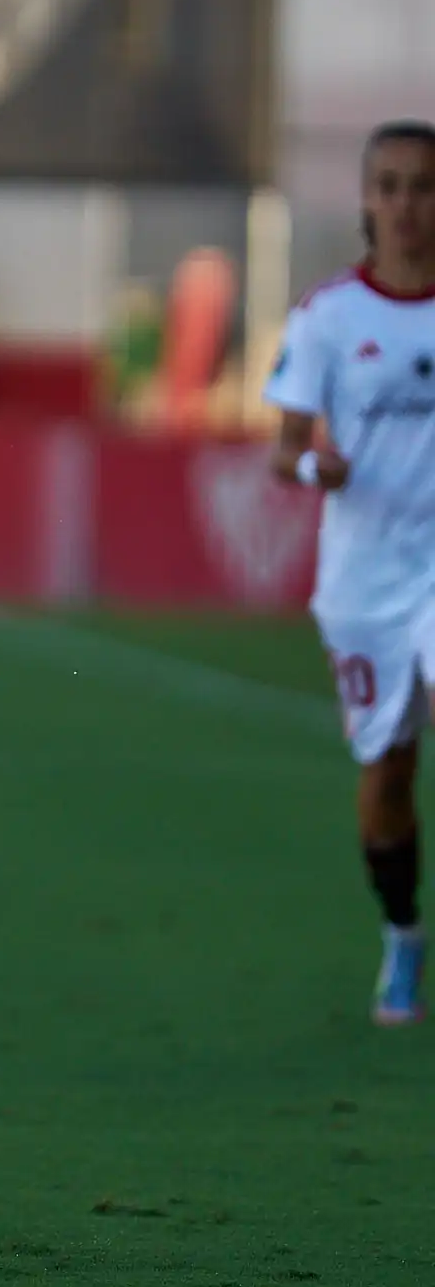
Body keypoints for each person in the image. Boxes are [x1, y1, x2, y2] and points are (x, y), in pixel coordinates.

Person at [267, 119, 435, 1026]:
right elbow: (281, 451)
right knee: (388, 780)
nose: (409, 204)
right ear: (369, 201)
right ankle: (404, 935)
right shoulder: (330, 317)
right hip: (365, 584)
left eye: (425, 186)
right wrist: (311, 468)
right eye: (393, 186)